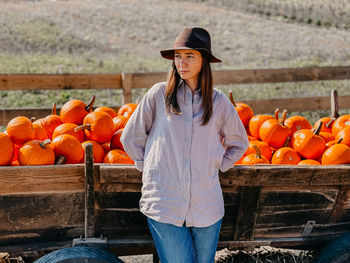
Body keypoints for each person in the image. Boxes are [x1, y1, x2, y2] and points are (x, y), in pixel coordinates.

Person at [120, 27, 249, 263]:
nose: (182, 62)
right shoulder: (158, 95)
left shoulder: (218, 102)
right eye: (178, 56)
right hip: (164, 203)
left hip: (206, 206)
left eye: (190, 56)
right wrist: (148, 166)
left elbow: (239, 143)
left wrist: (218, 164)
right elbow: (131, 137)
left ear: (204, 61)